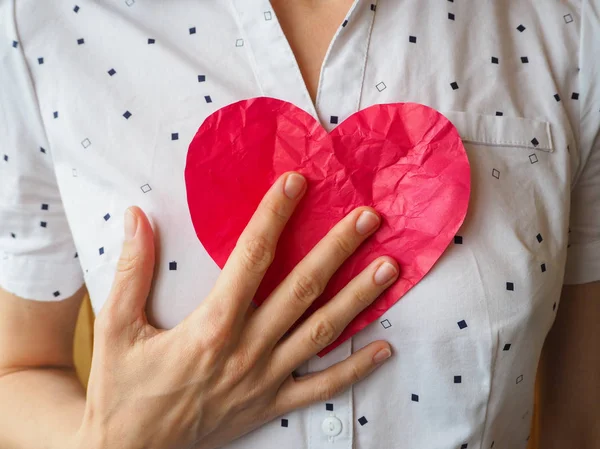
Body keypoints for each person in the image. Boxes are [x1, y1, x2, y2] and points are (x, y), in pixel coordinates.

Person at [0, 0, 598, 448]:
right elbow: (18, 366)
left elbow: (581, 420)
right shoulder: (42, 24)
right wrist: (115, 438)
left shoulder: (567, 23)